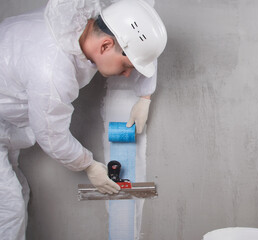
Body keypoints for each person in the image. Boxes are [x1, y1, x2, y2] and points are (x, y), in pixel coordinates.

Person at [0, 0, 167, 239]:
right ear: (106, 45)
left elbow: (139, 33)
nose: (129, 73)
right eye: (127, 66)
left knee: (16, 195)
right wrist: (88, 165)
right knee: (9, 210)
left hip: (6, 118)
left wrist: (146, 96)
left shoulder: (91, 19)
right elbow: (51, 134)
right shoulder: (52, 70)